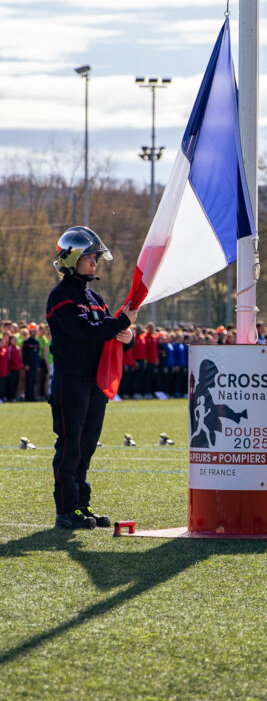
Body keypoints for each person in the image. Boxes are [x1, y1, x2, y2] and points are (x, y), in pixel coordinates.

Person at [47, 226, 137, 529]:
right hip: (70, 381)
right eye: (90, 257)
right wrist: (120, 322)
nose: (95, 263)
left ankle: (81, 505)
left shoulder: (95, 297)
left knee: (87, 445)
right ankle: (66, 510)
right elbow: (84, 331)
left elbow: (111, 334)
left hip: (94, 383)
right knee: (70, 445)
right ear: (72, 259)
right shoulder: (60, 297)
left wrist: (127, 336)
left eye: (96, 257)